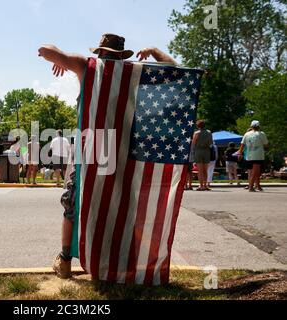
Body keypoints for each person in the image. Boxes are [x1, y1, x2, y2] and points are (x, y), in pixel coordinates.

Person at [38, 33, 177, 278]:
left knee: (74, 201)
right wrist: (154, 50)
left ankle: (65, 259)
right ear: (122, 56)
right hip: (123, 151)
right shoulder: (134, 73)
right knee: (117, 203)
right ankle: (114, 260)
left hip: (92, 148)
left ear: (99, 52)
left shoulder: (87, 67)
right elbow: (174, 71)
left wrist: (62, 59)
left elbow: (44, 49)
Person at [237, 121, 269, 192]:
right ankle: (251, 187)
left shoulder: (246, 134)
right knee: (255, 172)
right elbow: (266, 145)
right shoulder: (261, 134)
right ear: (259, 126)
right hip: (258, 156)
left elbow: (242, 145)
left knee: (254, 172)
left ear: (251, 126)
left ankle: (258, 186)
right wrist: (265, 148)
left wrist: (239, 154)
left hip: (249, 156)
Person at [192, 120, 213, 191]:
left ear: (198, 126)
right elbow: (211, 143)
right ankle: (205, 185)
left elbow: (193, 143)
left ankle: (201, 186)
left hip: (198, 151)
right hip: (207, 151)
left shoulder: (196, 133)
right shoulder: (209, 132)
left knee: (200, 170)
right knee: (205, 170)